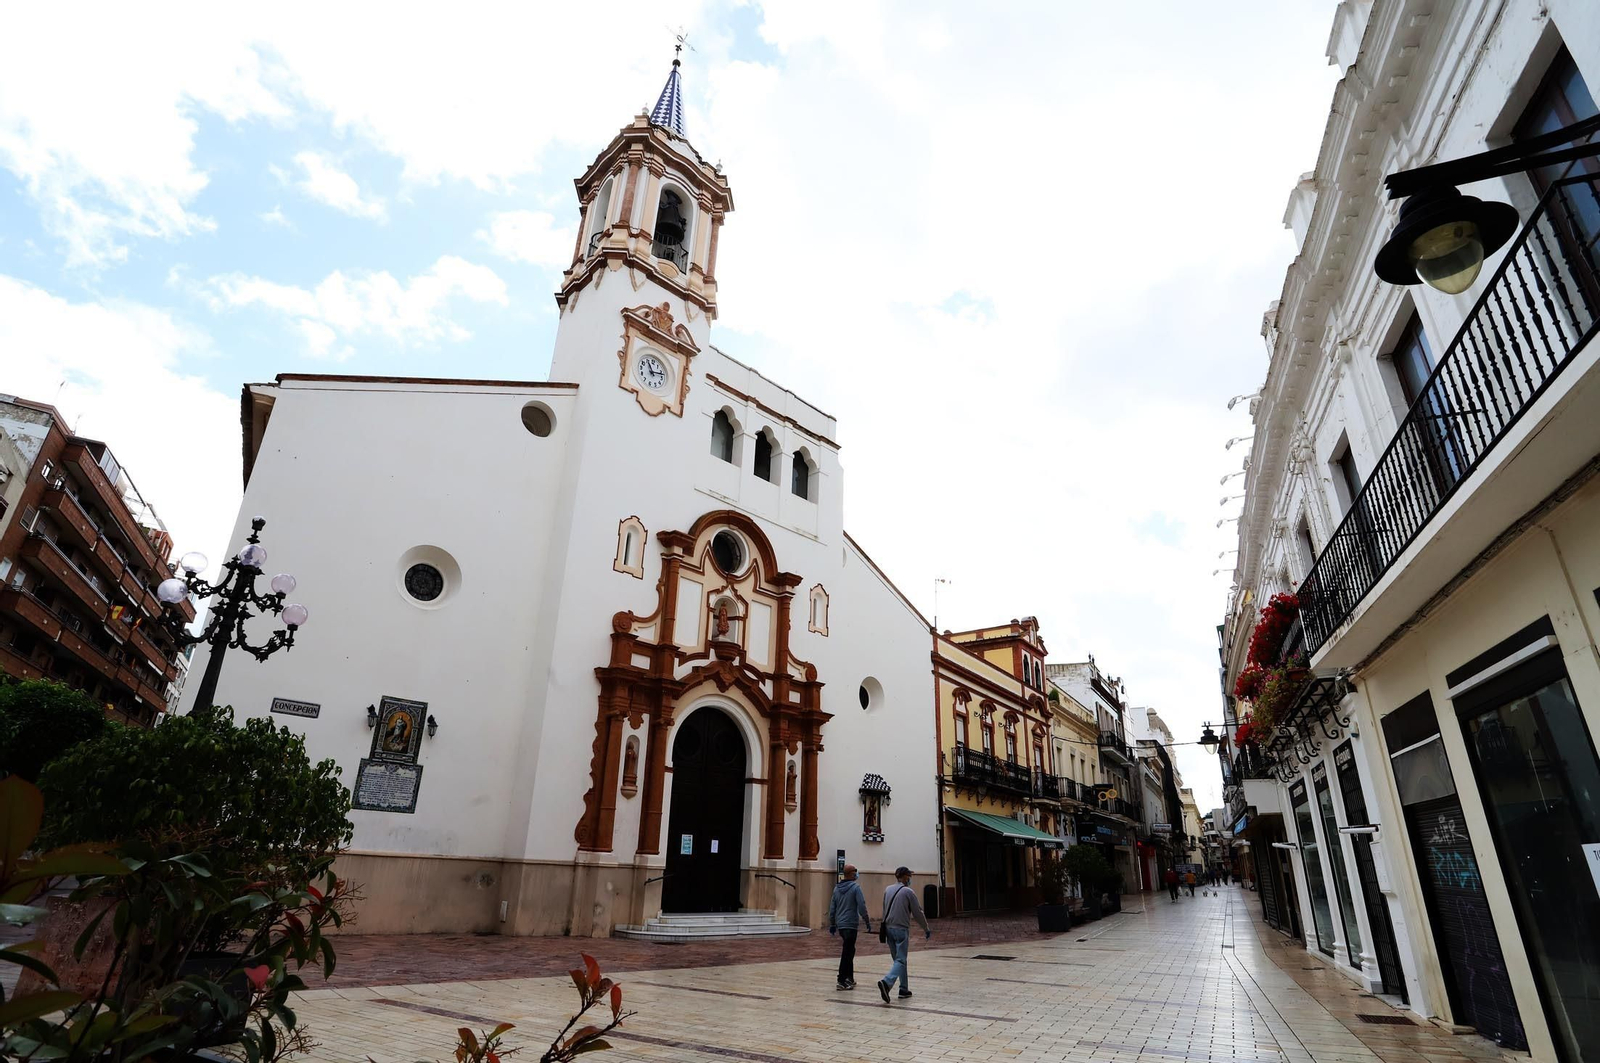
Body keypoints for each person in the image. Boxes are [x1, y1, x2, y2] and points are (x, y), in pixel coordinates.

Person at [877, 866, 930, 1004]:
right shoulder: (908, 892)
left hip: (888, 928)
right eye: (909, 876)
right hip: (901, 929)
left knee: (898, 960)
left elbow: (883, 909)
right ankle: (887, 982)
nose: (910, 879)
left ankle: (903, 989)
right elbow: (918, 912)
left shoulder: (888, 889)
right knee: (900, 960)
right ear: (905, 877)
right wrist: (926, 928)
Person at [826, 864, 871, 991]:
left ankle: (849, 977)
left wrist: (833, 923)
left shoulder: (836, 888)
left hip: (841, 925)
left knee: (850, 950)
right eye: (855, 872)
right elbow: (862, 905)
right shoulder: (856, 888)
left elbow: (832, 908)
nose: (857, 874)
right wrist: (867, 920)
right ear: (851, 874)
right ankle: (841, 980)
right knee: (847, 952)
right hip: (851, 924)